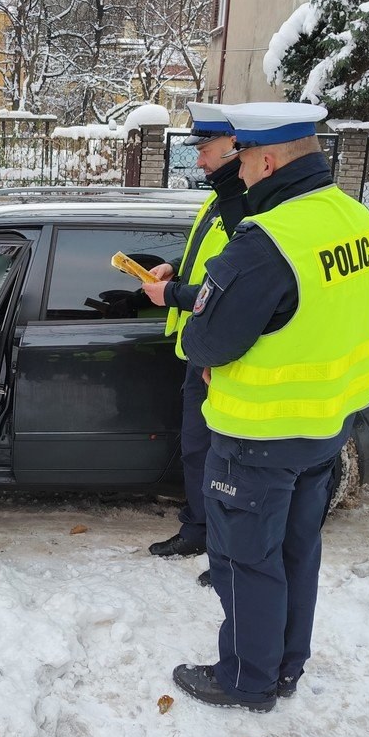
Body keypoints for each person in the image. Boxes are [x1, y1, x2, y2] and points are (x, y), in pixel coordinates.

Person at [170, 102, 369, 713]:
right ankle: (286, 666)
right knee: (297, 551)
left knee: (244, 559)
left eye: (240, 158)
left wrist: (199, 333)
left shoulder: (267, 243)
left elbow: (207, 341)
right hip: (325, 426)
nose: (236, 173)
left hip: (258, 432)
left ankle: (246, 679)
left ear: (267, 160)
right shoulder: (356, 220)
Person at [140, 101, 246, 559]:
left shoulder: (247, 205)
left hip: (222, 349)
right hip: (199, 345)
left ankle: (220, 545)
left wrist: (175, 295)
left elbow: (240, 287)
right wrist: (175, 266)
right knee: (200, 448)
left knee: (220, 455)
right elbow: (209, 253)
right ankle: (202, 530)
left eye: (206, 148)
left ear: (235, 146)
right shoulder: (222, 195)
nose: (198, 159)